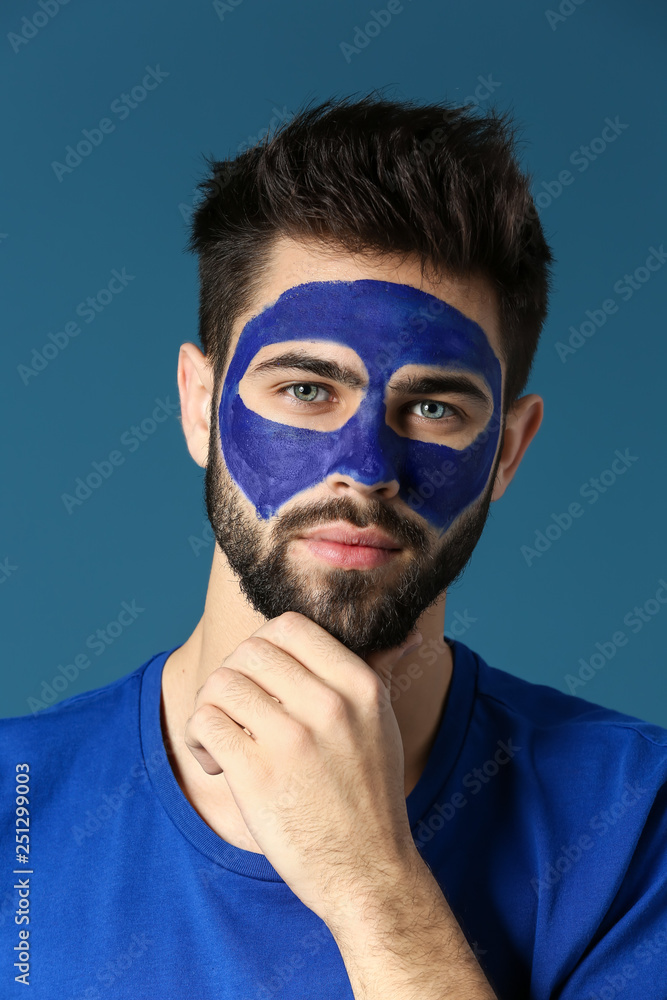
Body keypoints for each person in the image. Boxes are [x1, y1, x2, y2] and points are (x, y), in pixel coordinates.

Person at [2, 93, 666, 1000]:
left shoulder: (635, 821)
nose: (365, 469)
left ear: (507, 449)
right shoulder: (20, 807)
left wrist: (368, 883)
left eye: (433, 407)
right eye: (307, 388)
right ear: (200, 403)